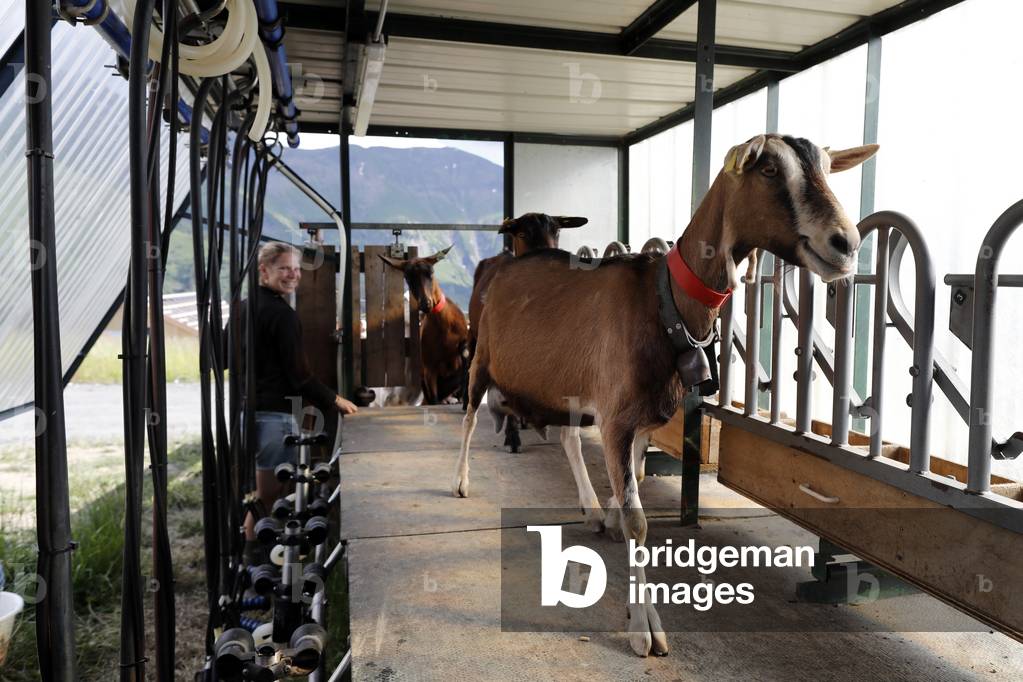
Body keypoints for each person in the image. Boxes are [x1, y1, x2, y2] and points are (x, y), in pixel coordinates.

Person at [237, 242, 357, 561]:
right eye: (284, 269)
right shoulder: (283, 315)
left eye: (296, 269)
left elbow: (219, 357)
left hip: (244, 414)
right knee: (268, 496)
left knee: (259, 493)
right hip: (275, 417)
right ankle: (256, 561)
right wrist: (336, 400)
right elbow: (299, 377)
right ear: (263, 271)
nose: (293, 275)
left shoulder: (243, 308)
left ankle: (253, 559)